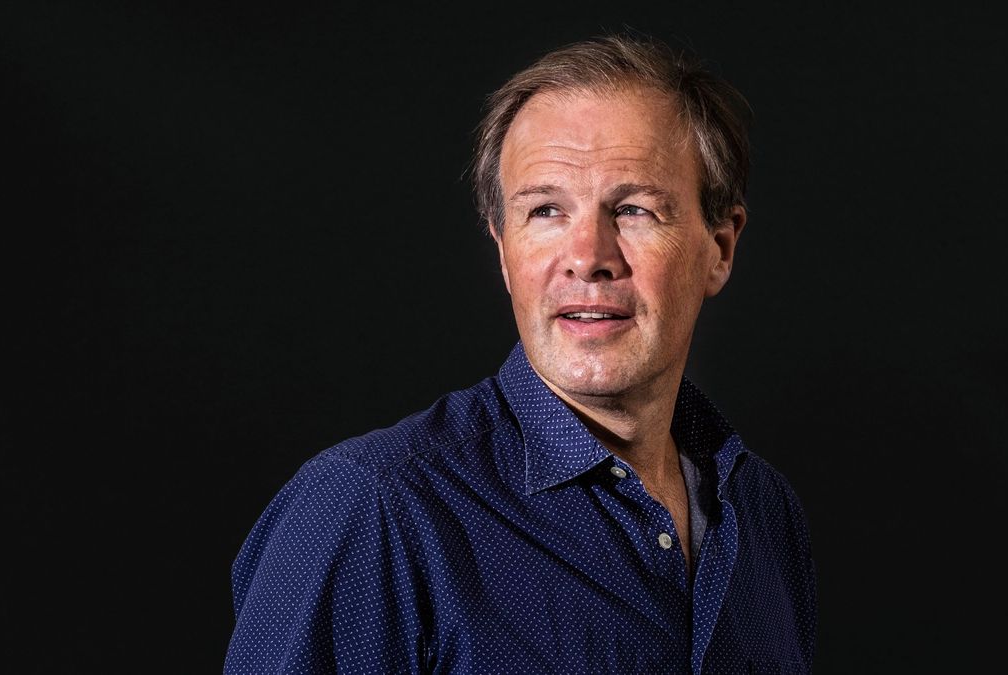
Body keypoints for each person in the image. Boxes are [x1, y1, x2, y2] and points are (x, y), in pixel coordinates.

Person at [225, 35, 816, 674]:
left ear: (720, 249)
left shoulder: (762, 512)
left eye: (635, 210)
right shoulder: (367, 510)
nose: (589, 256)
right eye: (545, 211)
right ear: (505, 251)